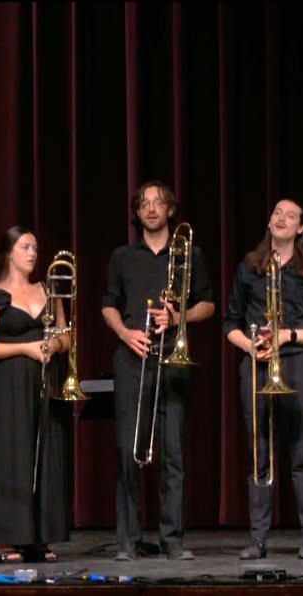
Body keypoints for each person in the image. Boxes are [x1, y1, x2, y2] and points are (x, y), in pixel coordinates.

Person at [101, 182, 215, 561]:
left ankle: (172, 541)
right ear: (137, 213)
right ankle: (127, 542)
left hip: (173, 359)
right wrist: (124, 333)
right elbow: (108, 305)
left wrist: (179, 315)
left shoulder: (189, 253)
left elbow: (209, 306)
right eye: (144, 204)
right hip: (133, 358)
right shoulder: (122, 256)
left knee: (172, 454)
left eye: (158, 203)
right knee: (128, 452)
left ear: (170, 211)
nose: (151, 209)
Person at [224, 198, 303, 560]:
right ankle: (258, 538)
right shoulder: (249, 266)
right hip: (257, 364)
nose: (282, 218)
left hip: (299, 363)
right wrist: (249, 345)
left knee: (302, 451)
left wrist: (288, 336)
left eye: (290, 216)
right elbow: (231, 322)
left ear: (301, 229)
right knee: (259, 451)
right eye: (277, 212)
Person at [0, 226, 73, 564]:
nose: (32, 253)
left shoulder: (48, 290)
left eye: (35, 247)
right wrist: (26, 348)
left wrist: (52, 344)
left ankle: (38, 536)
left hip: (46, 377)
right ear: (9, 253)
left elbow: (66, 338)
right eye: (25, 246)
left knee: (45, 453)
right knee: (11, 455)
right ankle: (4, 538)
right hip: (9, 381)